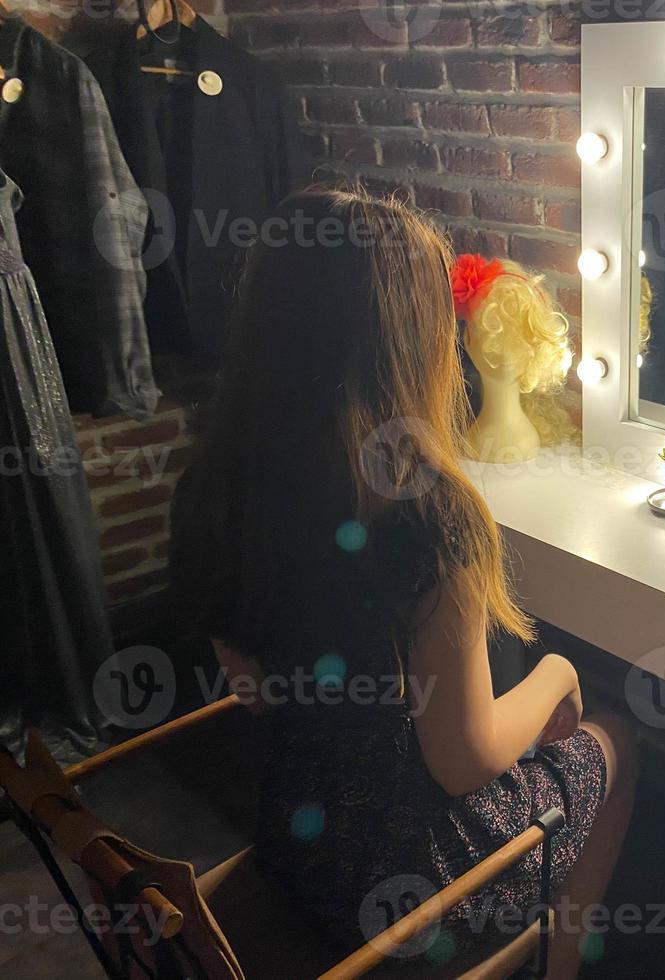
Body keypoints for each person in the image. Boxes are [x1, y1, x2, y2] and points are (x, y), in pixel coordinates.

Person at [169, 187, 636, 978]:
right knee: (622, 739)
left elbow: (253, 689)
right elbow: (465, 761)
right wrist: (560, 673)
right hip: (420, 884)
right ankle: (555, 967)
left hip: (298, 842)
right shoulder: (429, 512)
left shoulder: (213, 486)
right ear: (408, 339)